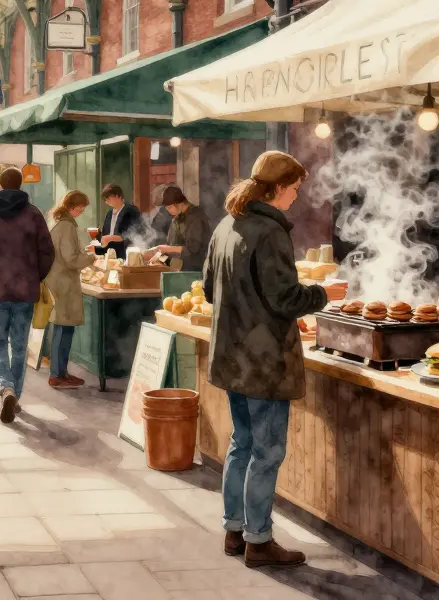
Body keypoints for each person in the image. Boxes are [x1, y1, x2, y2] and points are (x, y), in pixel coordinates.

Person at [204, 151, 347, 568]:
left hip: (232, 357)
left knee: (240, 444)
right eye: (295, 188)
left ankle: (234, 531)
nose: (297, 196)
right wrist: (325, 295)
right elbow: (284, 298)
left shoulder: (227, 224)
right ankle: (259, 541)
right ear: (279, 187)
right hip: (263, 362)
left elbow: (212, 292)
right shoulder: (270, 233)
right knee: (266, 453)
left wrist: (255, 311)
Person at [0, 168, 54, 423]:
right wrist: (35, 276)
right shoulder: (34, 214)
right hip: (25, 290)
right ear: (21, 184)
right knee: (20, 346)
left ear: (0, 185)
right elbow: (48, 252)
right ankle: (15, 396)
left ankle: (6, 388)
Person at [44, 191, 95, 389]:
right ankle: (57, 375)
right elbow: (71, 258)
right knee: (63, 329)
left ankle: (61, 372)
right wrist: (91, 258)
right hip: (63, 283)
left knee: (63, 327)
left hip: (59, 280)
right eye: (80, 206)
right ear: (71, 205)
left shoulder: (59, 222)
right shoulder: (66, 226)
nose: (82, 210)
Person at [155, 186, 213, 272]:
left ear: (179, 203)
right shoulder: (176, 220)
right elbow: (170, 246)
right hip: (178, 270)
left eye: (170, 208)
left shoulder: (197, 218)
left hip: (197, 271)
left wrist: (167, 249)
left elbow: (193, 249)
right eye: (166, 209)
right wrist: (158, 259)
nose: (168, 211)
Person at [96, 183, 144, 256]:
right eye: (105, 199)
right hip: (110, 252)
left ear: (118, 196)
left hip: (127, 251)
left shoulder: (131, 210)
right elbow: (105, 234)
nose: (107, 201)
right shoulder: (109, 213)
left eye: (108, 198)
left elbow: (133, 233)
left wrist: (112, 238)